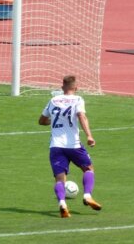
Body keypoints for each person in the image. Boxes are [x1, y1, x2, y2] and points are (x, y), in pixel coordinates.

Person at [38, 75, 102, 218]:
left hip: (55, 146)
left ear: (62, 87)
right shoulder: (78, 99)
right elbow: (81, 116)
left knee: (60, 179)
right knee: (88, 168)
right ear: (76, 88)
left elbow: (41, 121)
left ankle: (62, 203)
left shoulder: (53, 100)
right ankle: (87, 195)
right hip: (73, 145)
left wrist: (53, 121)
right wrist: (89, 136)